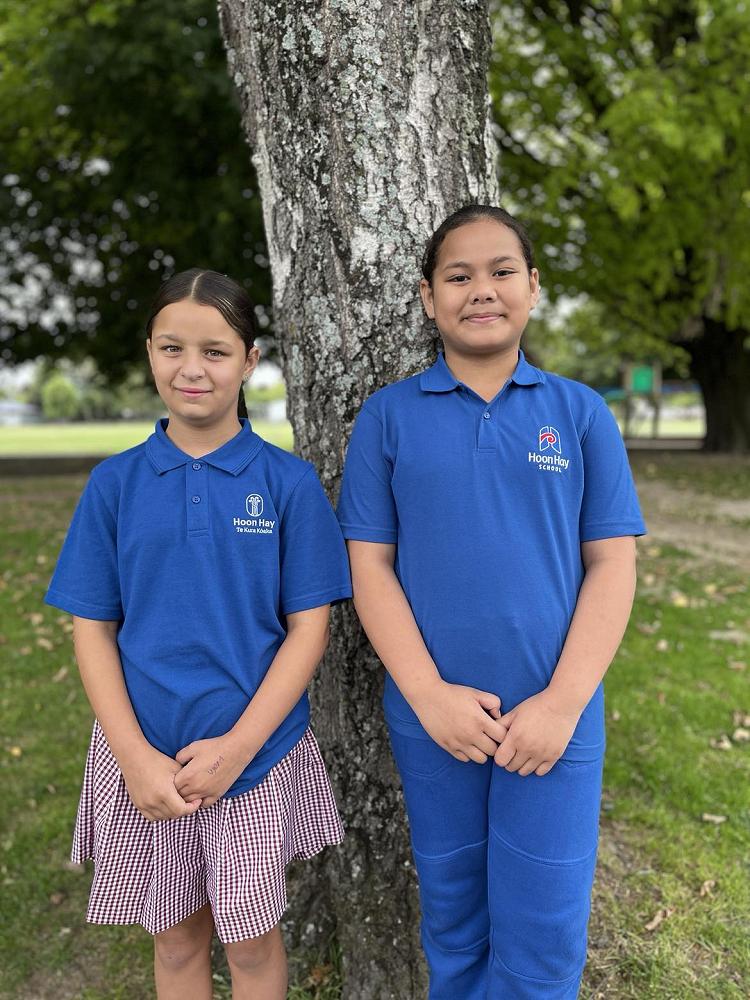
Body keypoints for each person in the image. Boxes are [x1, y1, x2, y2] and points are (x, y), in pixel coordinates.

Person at [337, 205, 645, 999]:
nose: (482, 290)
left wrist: (562, 703)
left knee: (543, 934)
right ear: (427, 296)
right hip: (436, 722)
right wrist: (427, 693)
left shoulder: (578, 413)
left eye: (502, 271)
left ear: (532, 287)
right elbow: (369, 564)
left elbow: (613, 562)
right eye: (458, 275)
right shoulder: (388, 417)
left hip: (555, 722)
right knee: (455, 922)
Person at [44, 269, 352, 1000]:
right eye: (172, 348)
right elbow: (93, 631)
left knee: (251, 943)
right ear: (150, 353)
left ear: (249, 361)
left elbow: (309, 631)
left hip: (254, 761)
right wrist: (134, 758)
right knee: (177, 939)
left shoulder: (288, 484)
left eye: (215, 351)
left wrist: (237, 748)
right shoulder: (114, 485)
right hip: (143, 759)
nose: (192, 368)